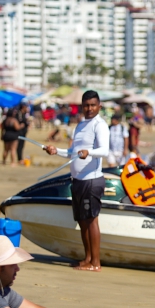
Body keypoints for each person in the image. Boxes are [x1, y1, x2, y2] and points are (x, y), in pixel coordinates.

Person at [45, 90, 110, 271]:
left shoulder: (100, 125)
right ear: (81, 107)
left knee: (91, 221)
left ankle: (96, 263)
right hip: (78, 180)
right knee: (82, 221)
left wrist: (89, 152)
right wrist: (55, 151)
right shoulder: (80, 126)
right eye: (86, 105)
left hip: (92, 180)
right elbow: (73, 152)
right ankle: (87, 258)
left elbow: (105, 151)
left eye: (92, 105)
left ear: (99, 106)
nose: (89, 108)